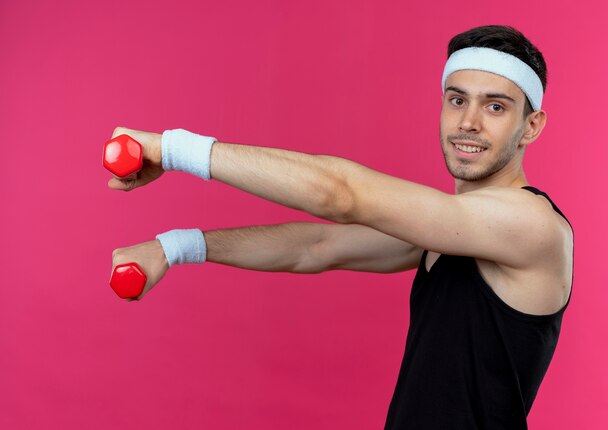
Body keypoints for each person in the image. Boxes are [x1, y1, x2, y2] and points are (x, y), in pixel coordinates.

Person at [107, 24, 573, 429]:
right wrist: (175, 247)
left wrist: (173, 150)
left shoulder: (530, 223)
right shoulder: (448, 228)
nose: (468, 122)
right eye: (457, 100)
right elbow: (318, 245)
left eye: (495, 107)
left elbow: (341, 196)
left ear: (531, 126)